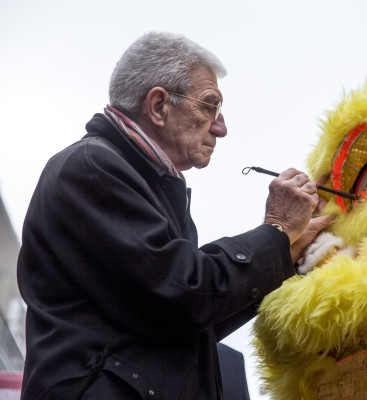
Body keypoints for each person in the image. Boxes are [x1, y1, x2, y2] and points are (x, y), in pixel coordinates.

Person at [17, 31, 332, 400]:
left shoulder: (145, 182)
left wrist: (287, 251)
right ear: (159, 106)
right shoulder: (92, 167)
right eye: (209, 105)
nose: (221, 127)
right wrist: (277, 230)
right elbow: (183, 296)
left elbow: (187, 321)